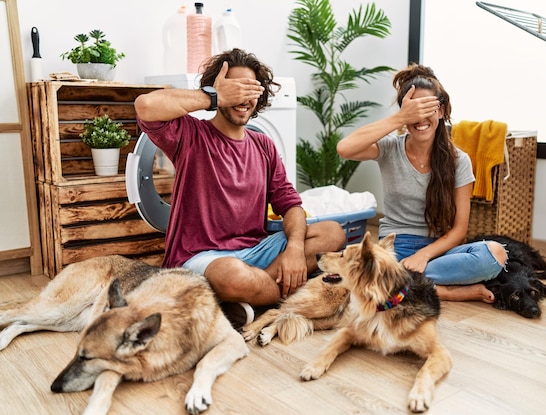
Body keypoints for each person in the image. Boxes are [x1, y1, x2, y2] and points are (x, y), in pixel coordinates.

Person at [134, 49, 346, 327]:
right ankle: (286, 295)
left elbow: (290, 204)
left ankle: (251, 297)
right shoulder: (191, 134)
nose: (243, 98)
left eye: (250, 90)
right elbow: (145, 105)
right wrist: (213, 97)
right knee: (232, 276)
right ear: (217, 89)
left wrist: (294, 249)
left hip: (257, 250)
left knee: (333, 233)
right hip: (204, 258)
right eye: (235, 89)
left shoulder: (263, 145)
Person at [336, 63, 507, 303]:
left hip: (439, 250)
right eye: (413, 110)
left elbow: (459, 230)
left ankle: (402, 284)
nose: (421, 118)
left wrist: (424, 256)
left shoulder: (460, 161)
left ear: (441, 111)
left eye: (428, 108)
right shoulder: (389, 149)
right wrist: (399, 118)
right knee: (380, 273)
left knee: (495, 254)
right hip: (396, 247)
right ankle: (442, 290)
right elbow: (344, 148)